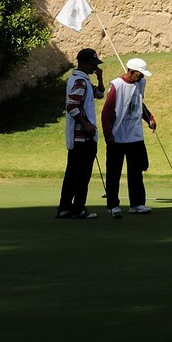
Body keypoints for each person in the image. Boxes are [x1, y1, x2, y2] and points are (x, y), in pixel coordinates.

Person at [102, 57, 156, 216]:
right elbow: (107, 112)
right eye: (140, 74)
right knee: (114, 173)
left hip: (135, 135)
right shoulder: (117, 85)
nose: (142, 77)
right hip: (117, 136)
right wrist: (108, 135)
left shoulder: (140, 83)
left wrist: (149, 118)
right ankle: (113, 205)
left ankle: (137, 204)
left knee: (136, 171)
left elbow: (139, 103)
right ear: (131, 71)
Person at [56, 48, 103, 219]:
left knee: (72, 173)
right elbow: (72, 106)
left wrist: (100, 78)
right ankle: (78, 209)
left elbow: (99, 94)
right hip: (83, 137)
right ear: (82, 63)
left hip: (78, 138)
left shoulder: (82, 80)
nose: (94, 67)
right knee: (82, 175)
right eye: (92, 64)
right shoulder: (80, 82)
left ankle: (65, 208)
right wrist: (87, 125)